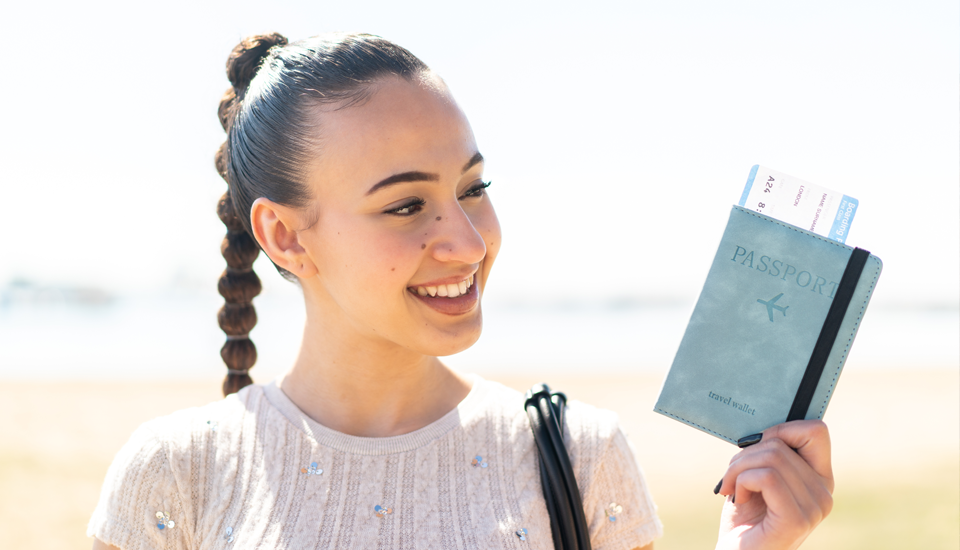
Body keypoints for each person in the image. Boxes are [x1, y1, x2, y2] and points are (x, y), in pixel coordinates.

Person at [88, 32, 834, 550]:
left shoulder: (578, 456)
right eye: (406, 205)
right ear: (285, 236)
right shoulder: (174, 473)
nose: (470, 243)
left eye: (473, 189)